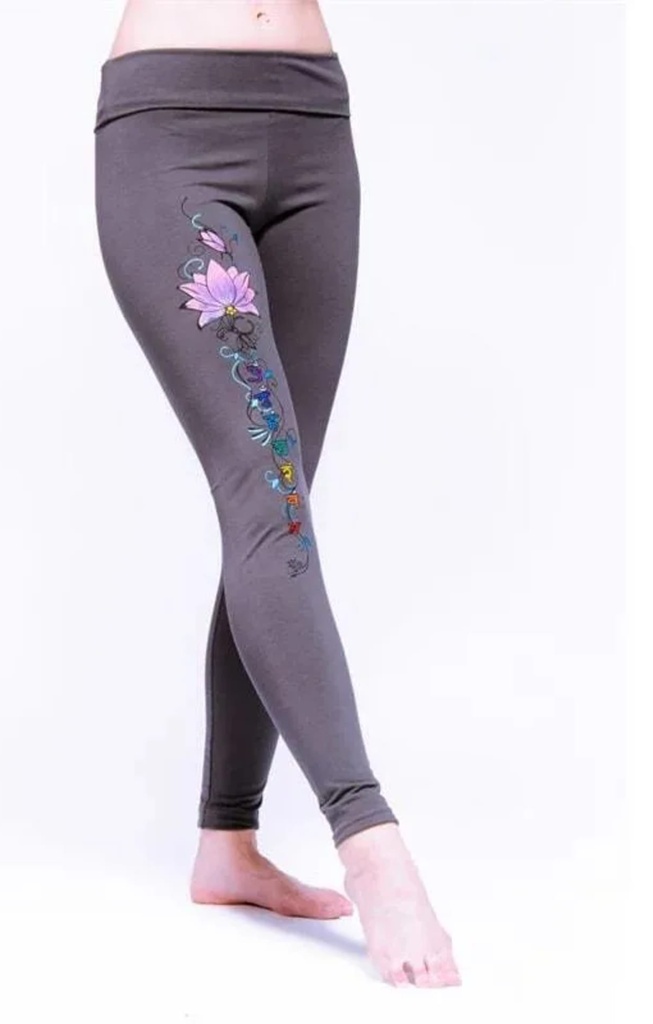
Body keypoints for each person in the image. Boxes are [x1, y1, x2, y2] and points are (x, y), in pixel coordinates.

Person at [94, 0, 462, 989]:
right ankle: (370, 839)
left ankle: (228, 843)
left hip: (313, 128)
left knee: (277, 499)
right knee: (271, 499)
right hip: (169, 134)